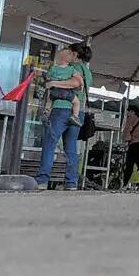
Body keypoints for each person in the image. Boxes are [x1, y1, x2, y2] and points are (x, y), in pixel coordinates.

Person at [35, 42, 92, 190]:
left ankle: (42, 180)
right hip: (77, 112)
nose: (64, 53)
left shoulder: (74, 68)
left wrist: (54, 82)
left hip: (61, 108)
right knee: (71, 148)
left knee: (49, 144)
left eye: (67, 50)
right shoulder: (87, 70)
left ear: (73, 54)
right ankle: (71, 182)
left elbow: (75, 83)